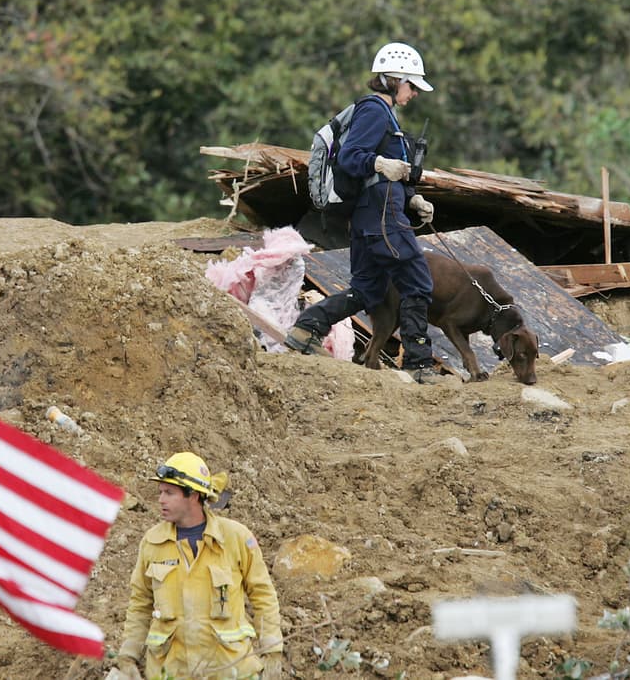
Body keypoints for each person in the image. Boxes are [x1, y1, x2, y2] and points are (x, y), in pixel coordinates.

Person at [284, 42, 439, 384]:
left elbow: (380, 174)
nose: (414, 93)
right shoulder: (373, 110)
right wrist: (381, 163)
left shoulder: (386, 115)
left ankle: (307, 328)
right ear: (393, 79)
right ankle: (419, 364)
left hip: (373, 217)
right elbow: (351, 157)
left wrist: (412, 199)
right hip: (382, 217)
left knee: (367, 290)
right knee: (417, 280)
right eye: (411, 85)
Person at [115, 452, 284, 680]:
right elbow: (140, 604)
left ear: (193, 495)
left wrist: (272, 650)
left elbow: (263, 595)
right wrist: (128, 655)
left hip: (229, 672)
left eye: (169, 493)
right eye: (160, 492)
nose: (161, 500)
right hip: (171, 673)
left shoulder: (235, 538)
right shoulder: (152, 542)